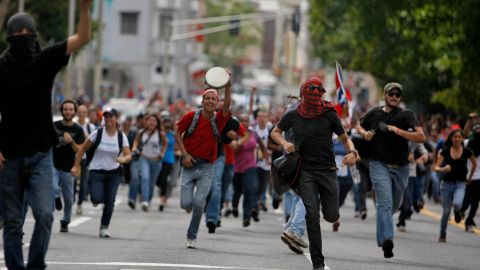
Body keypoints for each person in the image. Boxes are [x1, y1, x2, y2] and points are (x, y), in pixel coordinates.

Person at [0, 1, 92, 269]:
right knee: (13, 221)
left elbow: (83, 38)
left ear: (35, 35)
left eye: (27, 34)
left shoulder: (45, 60)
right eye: (17, 35)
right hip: (9, 157)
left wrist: (85, 11)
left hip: (41, 153)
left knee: (44, 215)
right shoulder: (2, 68)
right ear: (9, 38)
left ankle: (36, 264)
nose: (23, 39)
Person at [271, 77, 358, 270]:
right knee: (312, 215)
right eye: (310, 93)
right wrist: (285, 143)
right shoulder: (292, 114)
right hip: (305, 171)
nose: (313, 97)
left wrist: (352, 152)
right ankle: (318, 263)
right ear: (302, 94)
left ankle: (328, 216)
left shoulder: (329, 114)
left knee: (331, 215)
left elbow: (345, 139)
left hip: (327, 171)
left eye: (317, 93)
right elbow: (275, 132)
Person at [357, 82, 426, 258]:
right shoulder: (374, 113)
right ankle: (388, 240)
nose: (394, 97)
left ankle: (383, 237)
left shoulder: (407, 115)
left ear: (400, 97)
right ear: (385, 95)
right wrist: (364, 134)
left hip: (402, 168)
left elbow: (421, 137)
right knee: (386, 203)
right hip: (379, 165)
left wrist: (397, 131)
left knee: (392, 205)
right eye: (391, 94)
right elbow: (358, 125)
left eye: (397, 94)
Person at [174, 73, 231, 249]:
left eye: (214, 99)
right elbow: (177, 132)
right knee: (186, 204)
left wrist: (227, 84)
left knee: (199, 204)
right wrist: (184, 154)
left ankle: (192, 236)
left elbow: (227, 104)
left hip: (207, 166)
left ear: (217, 103)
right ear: (202, 100)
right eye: (207, 99)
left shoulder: (219, 120)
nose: (210, 102)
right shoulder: (191, 116)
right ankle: (189, 209)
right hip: (189, 164)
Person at [71, 108, 132, 238]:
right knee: (96, 198)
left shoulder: (121, 137)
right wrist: (75, 166)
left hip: (114, 173)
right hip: (96, 171)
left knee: (110, 202)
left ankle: (104, 227)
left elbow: (128, 155)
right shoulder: (97, 133)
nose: (108, 119)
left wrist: (122, 159)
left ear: (116, 119)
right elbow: (82, 149)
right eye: (106, 116)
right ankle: (96, 198)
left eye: (111, 116)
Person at [435, 129, 476, 242]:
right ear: (451, 138)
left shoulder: (467, 152)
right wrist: (443, 168)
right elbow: (436, 167)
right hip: (446, 184)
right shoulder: (445, 151)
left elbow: (474, 164)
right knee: (446, 211)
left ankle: (458, 211)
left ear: (462, 139)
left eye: (459, 137)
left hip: (460, 183)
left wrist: (470, 177)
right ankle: (442, 234)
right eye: (455, 137)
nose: (457, 139)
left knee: (457, 203)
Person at [53, 100, 85, 233]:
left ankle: (65, 221)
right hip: (53, 165)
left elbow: (80, 150)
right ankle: (55, 198)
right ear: (61, 111)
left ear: (74, 112)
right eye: (65, 109)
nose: (68, 112)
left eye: (71, 109)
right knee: (52, 188)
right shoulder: (54, 126)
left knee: (69, 198)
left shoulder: (78, 130)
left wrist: (71, 141)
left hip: (69, 168)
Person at [128, 114, 167, 211]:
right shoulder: (141, 132)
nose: (152, 122)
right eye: (150, 120)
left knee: (151, 183)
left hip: (156, 161)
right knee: (145, 178)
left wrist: (162, 153)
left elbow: (165, 144)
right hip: (144, 158)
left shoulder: (160, 134)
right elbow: (136, 142)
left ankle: (148, 201)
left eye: (154, 121)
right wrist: (134, 148)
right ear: (146, 122)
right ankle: (144, 201)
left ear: (157, 123)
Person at [75, 104, 97, 215]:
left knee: (83, 183)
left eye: (84, 112)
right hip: (73, 158)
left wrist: (85, 135)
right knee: (72, 181)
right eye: (79, 112)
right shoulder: (73, 125)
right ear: (77, 113)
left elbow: (93, 143)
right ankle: (72, 199)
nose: (81, 114)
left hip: (85, 158)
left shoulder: (90, 127)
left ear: (86, 114)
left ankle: (79, 204)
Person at [461, 124, 480, 232]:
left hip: (479, 177)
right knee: (466, 199)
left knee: (475, 202)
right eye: (477, 130)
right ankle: (462, 211)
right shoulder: (466, 143)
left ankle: (469, 222)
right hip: (467, 175)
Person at [156, 118, 176, 211]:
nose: (167, 128)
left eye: (169, 127)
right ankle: (162, 196)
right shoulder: (159, 134)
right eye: (165, 126)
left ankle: (162, 199)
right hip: (158, 159)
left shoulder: (173, 135)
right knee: (159, 180)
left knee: (164, 179)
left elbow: (179, 145)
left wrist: (179, 152)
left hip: (169, 159)